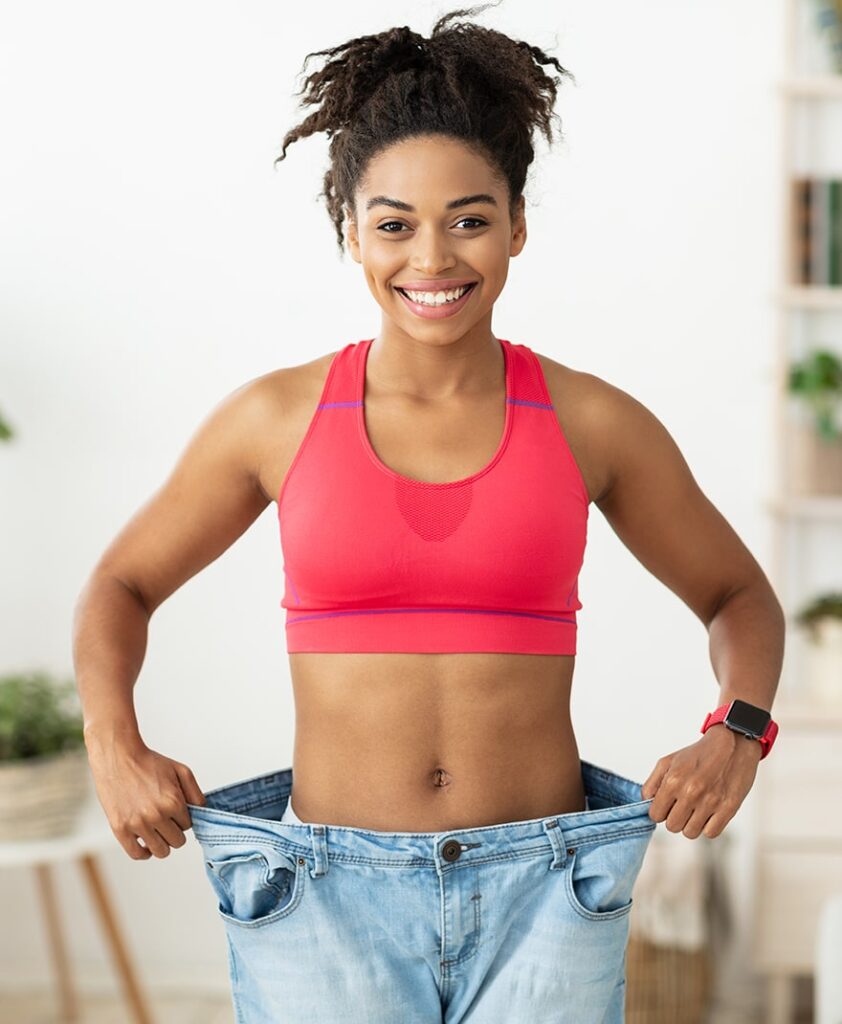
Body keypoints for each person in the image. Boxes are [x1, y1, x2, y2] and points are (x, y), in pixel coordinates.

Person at [71, 4, 784, 1021]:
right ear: (350, 232)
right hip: (320, 897)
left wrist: (735, 732)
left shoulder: (591, 422)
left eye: (468, 218)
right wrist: (111, 738)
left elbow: (736, 593)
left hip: (545, 890)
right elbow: (121, 584)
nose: (433, 258)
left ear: (516, 225)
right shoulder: (275, 418)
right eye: (394, 224)